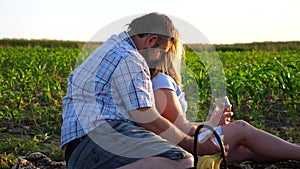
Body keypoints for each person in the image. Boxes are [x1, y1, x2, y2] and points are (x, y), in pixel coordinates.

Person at [61, 12, 220, 169]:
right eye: (161, 52)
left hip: (79, 148)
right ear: (151, 40)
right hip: (98, 139)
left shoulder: (112, 47)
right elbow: (146, 116)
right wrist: (192, 144)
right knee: (181, 160)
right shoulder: (130, 58)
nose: (159, 60)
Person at [149, 36, 300, 163]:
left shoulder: (156, 80)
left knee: (245, 151)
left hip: (172, 145)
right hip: (179, 148)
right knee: (241, 128)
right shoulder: (162, 80)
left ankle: (293, 151)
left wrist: (213, 123)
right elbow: (179, 128)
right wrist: (212, 123)